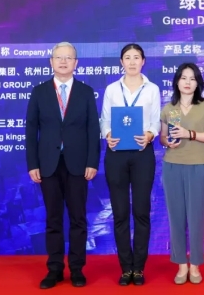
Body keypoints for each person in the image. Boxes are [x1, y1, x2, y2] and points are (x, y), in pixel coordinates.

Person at [25, 41, 100, 289]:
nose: (64, 61)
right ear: (51, 62)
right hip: (48, 164)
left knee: (78, 219)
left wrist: (92, 162)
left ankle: (77, 269)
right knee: (53, 219)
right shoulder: (39, 92)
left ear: (76, 63)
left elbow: (93, 129)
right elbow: (31, 130)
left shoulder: (86, 92)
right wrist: (32, 163)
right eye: (59, 57)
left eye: (69, 57)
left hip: (78, 165)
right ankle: (55, 269)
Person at [100, 43, 161, 286]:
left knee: (142, 212)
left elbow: (155, 120)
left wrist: (150, 134)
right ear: (121, 62)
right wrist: (107, 134)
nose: (132, 62)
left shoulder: (152, 89)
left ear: (143, 61)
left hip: (142, 153)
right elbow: (105, 119)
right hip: (116, 153)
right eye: (128, 57)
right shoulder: (112, 89)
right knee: (120, 212)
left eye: (137, 57)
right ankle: (126, 268)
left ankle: (139, 267)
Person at [160, 63, 204, 285]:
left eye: (192, 78)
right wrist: (167, 142)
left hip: (198, 167)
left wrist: (189, 134)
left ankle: (195, 264)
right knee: (175, 217)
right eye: (183, 78)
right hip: (172, 166)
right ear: (177, 81)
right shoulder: (168, 108)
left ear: (198, 83)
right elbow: (163, 137)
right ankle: (181, 265)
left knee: (196, 218)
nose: (187, 82)